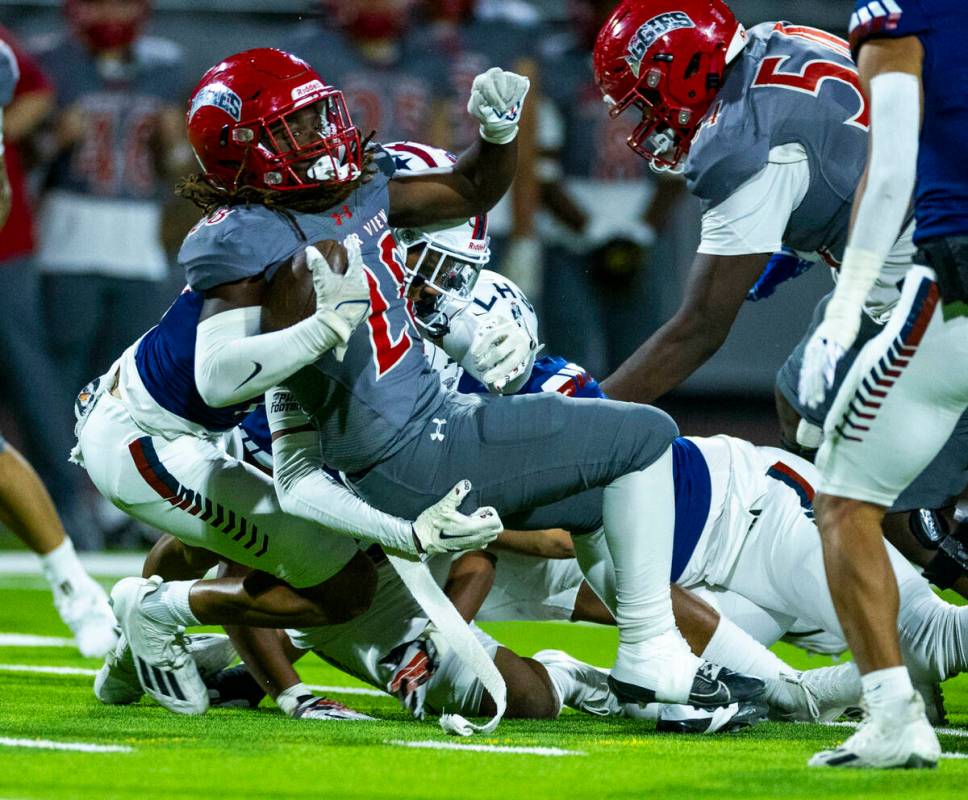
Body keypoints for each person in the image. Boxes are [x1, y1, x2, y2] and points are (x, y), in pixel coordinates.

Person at [73, 51, 507, 718]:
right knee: (339, 583)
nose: (321, 134)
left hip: (193, 428)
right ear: (243, 149)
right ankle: (152, 612)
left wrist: (497, 134)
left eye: (316, 115)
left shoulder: (349, 193)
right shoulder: (244, 235)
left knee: (269, 552)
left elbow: (468, 190)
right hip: (150, 439)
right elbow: (218, 381)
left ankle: (130, 658)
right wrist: (326, 327)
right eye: (295, 126)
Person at [591, 0, 968, 600]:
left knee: (878, 500)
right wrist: (796, 242)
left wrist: (584, 415)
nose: (647, 121)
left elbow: (698, 329)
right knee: (800, 396)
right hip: (915, 273)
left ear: (685, 70)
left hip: (934, 306)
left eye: (646, 98)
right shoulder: (777, 41)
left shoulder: (742, 143)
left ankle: (921, 581)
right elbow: (834, 145)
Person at [787, 0, 968, 769]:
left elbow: (890, 172)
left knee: (844, 495)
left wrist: (844, 310)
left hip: (957, 283)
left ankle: (894, 712)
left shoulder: (905, 15)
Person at [30, 0, 190, 450]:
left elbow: (179, 169)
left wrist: (173, 145)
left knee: (131, 374)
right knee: (62, 369)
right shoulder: (50, 61)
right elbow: (23, 158)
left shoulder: (165, 64)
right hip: (69, 238)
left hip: (136, 242)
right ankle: (59, 479)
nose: (112, 16)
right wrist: (54, 138)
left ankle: (111, 486)